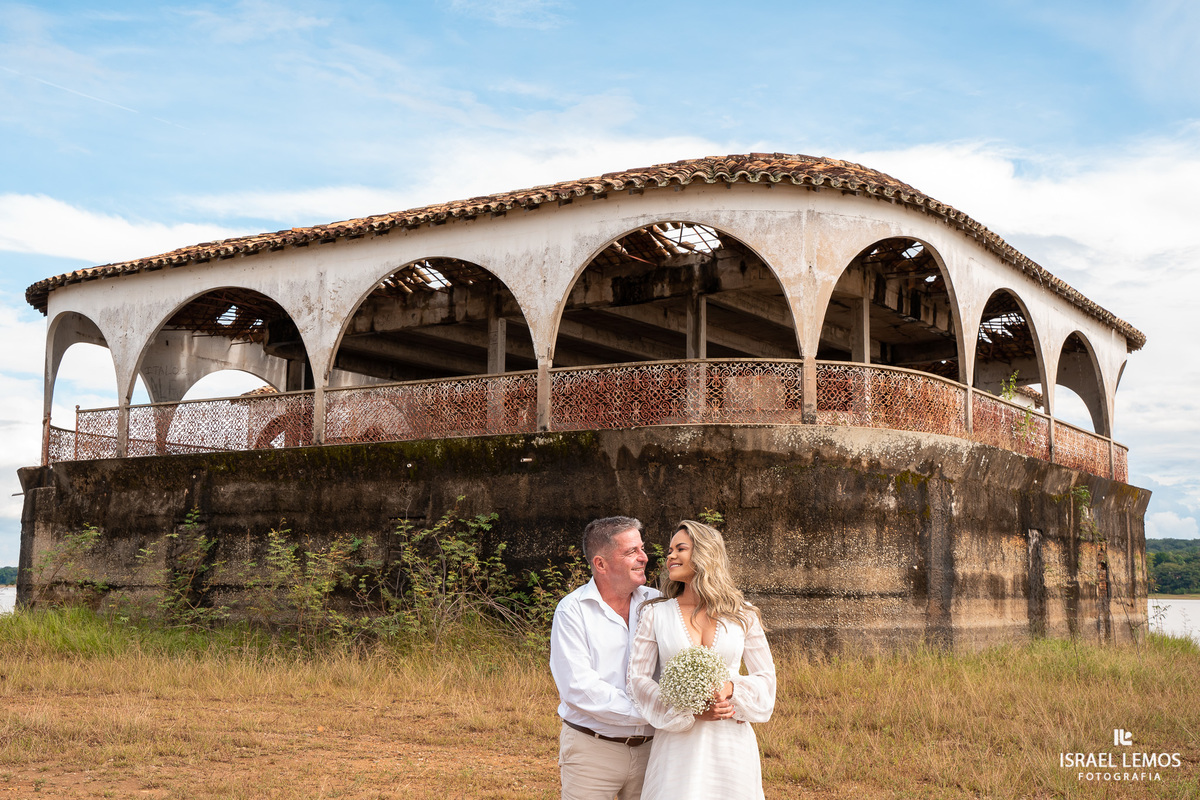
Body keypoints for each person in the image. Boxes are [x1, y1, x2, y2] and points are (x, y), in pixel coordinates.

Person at [551, 516, 705, 800]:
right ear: (601, 564)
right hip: (593, 751)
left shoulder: (658, 603)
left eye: (642, 548)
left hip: (656, 749)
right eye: (631, 551)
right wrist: (656, 711)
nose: (644, 557)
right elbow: (578, 688)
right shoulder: (572, 610)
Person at [627, 520, 776, 800]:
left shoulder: (743, 614)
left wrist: (730, 689)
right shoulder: (656, 614)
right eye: (669, 551)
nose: (670, 556)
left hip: (731, 742)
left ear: (705, 552)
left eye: (680, 548)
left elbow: (767, 679)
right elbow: (638, 680)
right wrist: (687, 711)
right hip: (678, 741)